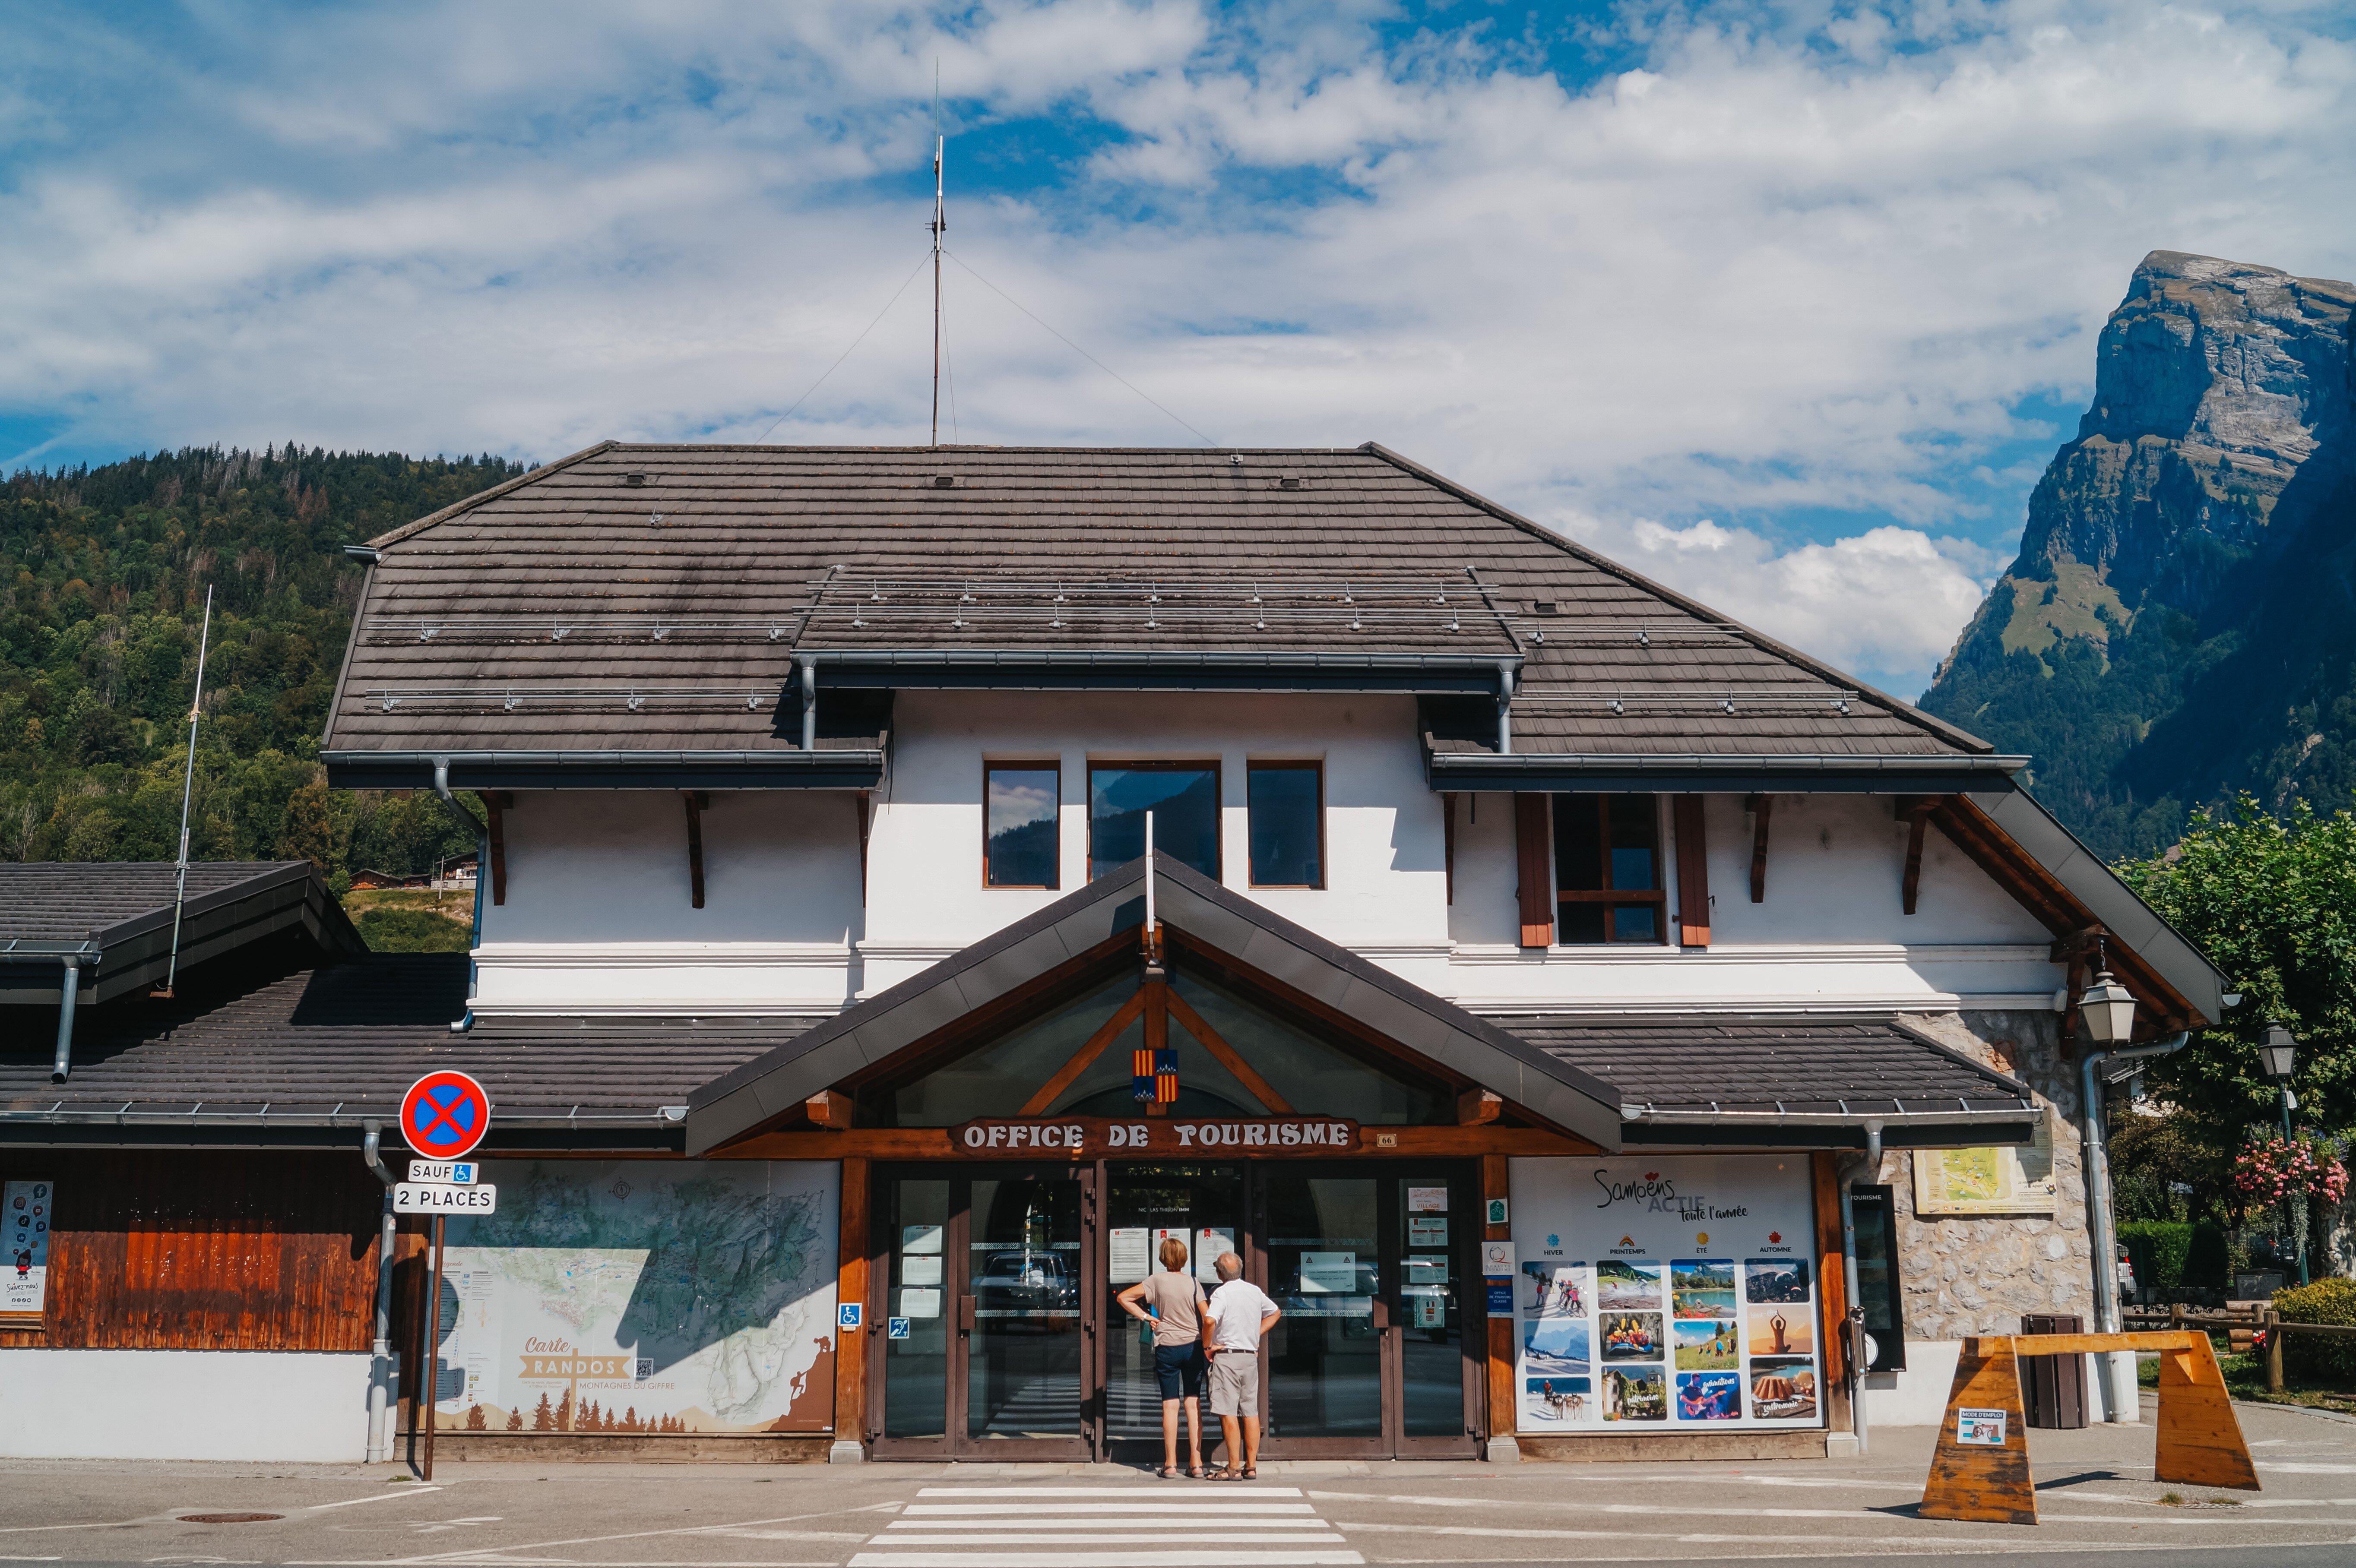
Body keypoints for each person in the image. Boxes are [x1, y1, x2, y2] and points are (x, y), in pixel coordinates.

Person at [1117, 1236, 1209, 1479]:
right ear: (1184, 1258)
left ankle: (1170, 1464)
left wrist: (1146, 1317)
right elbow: (1207, 1316)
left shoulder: (1155, 1281)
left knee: (1170, 1403)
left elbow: (1123, 1298)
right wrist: (1208, 1343)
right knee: (1193, 1403)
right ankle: (1196, 1463)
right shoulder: (1193, 1283)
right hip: (1192, 1346)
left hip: (1167, 1347)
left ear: (1163, 1258)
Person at [1199, 1252, 1279, 1481]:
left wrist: (1207, 1346)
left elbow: (1209, 1320)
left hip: (1228, 1357)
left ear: (1220, 1273)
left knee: (1228, 1413)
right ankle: (1251, 1466)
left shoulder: (1221, 1293)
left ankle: (1233, 1468)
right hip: (1249, 1358)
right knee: (1250, 1412)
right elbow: (1275, 1313)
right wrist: (1255, 1334)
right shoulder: (1254, 1291)